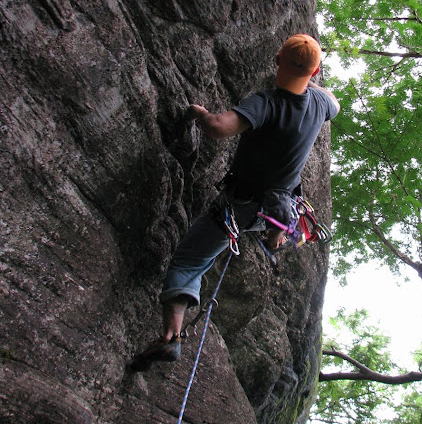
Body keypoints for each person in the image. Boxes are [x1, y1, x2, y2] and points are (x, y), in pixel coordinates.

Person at [131, 34, 340, 371]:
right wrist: (316, 86)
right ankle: (277, 235)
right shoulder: (319, 104)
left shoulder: (267, 102)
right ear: (316, 72)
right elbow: (334, 102)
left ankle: (172, 337)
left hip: (240, 205)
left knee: (188, 261)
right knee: (237, 233)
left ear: (277, 60)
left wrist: (200, 114)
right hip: (276, 210)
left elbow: (218, 128)